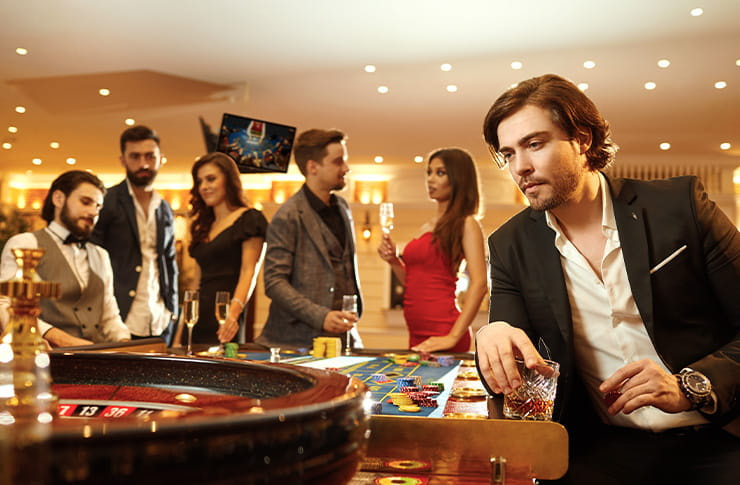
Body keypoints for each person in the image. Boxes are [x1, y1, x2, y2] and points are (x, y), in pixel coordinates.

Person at [476, 74, 739, 484]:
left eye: (535, 143)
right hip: (596, 448)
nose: (520, 167)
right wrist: (490, 335)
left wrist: (689, 386)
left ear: (582, 139)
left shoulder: (679, 205)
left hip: (717, 437)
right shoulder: (509, 244)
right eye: (507, 154)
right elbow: (511, 360)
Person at [256, 129, 363, 351]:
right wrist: (320, 316)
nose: (346, 168)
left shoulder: (343, 208)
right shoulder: (287, 215)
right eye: (338, 162)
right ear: (313, 167)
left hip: (345, 339)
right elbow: (275, 283)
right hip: (294, 342)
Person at [0, 170, 131, 346]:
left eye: (98, 207)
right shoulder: (25, 243)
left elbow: (110, 316)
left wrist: (125, 343)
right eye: (86, 202)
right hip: (47, 357)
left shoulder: (101, 254)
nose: (93, 212)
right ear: (59, 199)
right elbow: (4, 305)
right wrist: (56, 337)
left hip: (97, 359)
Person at [377, 148, 487, 353]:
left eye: (440, 173)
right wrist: (393, 261)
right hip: (416, 331)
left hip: (444, 330)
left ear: (458, 178)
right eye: (429, 172)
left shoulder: (467, 223)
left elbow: (480, 283)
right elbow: (414, 281)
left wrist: (453, 336)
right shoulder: (427, 226)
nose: (430, 179)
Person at [91, 125, 178, 344]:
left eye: (150, 156)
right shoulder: (107, 201)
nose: (143, 164)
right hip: (120, 319)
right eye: (135, 157)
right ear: (123, 160)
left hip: (160, 319)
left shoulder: (165, 208)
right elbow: (92, 258)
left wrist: (173, 309)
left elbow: (169, 260)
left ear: (161, 159)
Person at [177, 152, 267, 345]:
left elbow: (248, 272)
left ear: (229, 179)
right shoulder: (201, 227)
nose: (204, 187)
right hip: (196, 320)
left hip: (224, 319)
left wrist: (232, 315)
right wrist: (179, 333)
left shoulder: (250, 219)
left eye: (211, 179)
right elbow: (195, 284)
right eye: (199, 181)